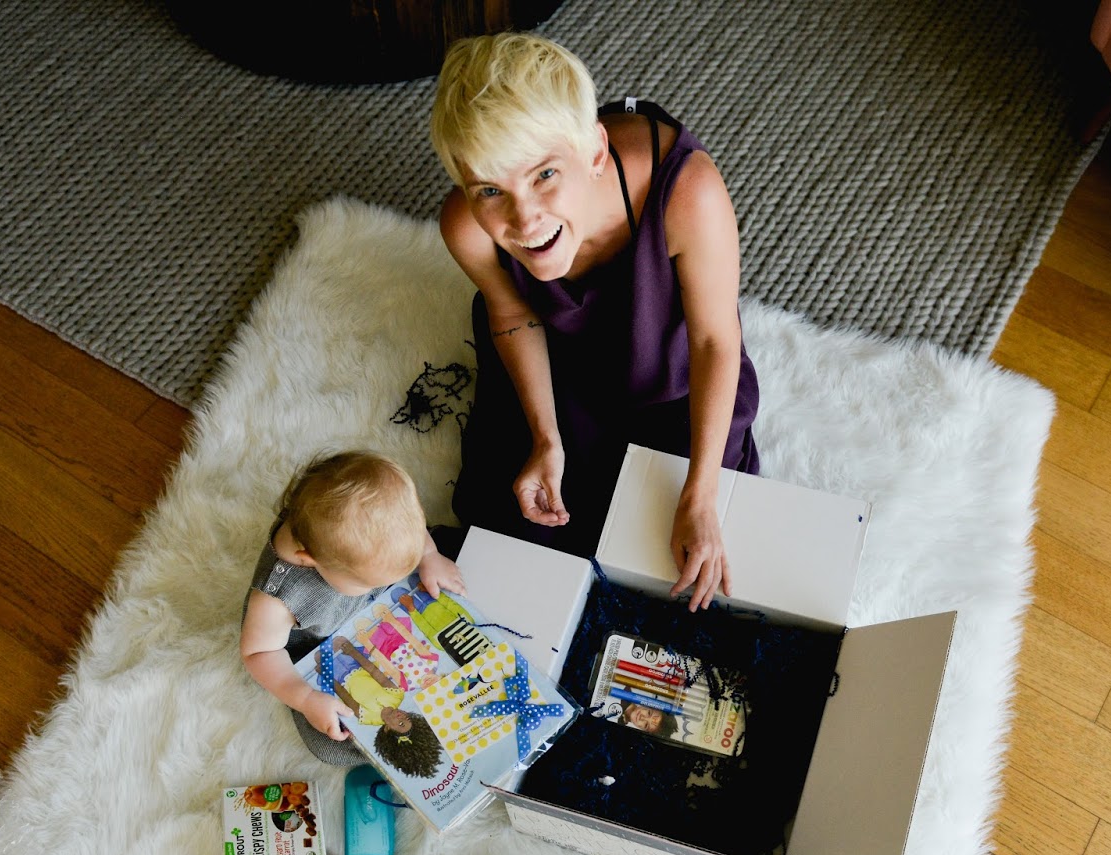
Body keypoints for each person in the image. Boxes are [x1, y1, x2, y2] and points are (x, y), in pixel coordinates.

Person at [431, 32, 759, 612]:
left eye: (544, 175)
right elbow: (512, 313)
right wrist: (545, 436)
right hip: (555, 366)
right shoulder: (465, 225)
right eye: (490, 189)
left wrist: (701, 494)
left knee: (681, 559)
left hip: (669, 374)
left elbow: (714, 340)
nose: (524, 219)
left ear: (596, 153)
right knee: (516, 545)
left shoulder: (689, 193)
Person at [240, 451, 465, 765]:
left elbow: (412, 530)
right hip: (319, 642)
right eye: (368, 583)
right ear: (310, 561)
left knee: (452, 557)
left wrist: (428, 556)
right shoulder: (279, 598)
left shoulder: (383, 522)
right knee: (332, 743)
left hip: (380, 615)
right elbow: (258, 653)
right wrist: (306, 699)